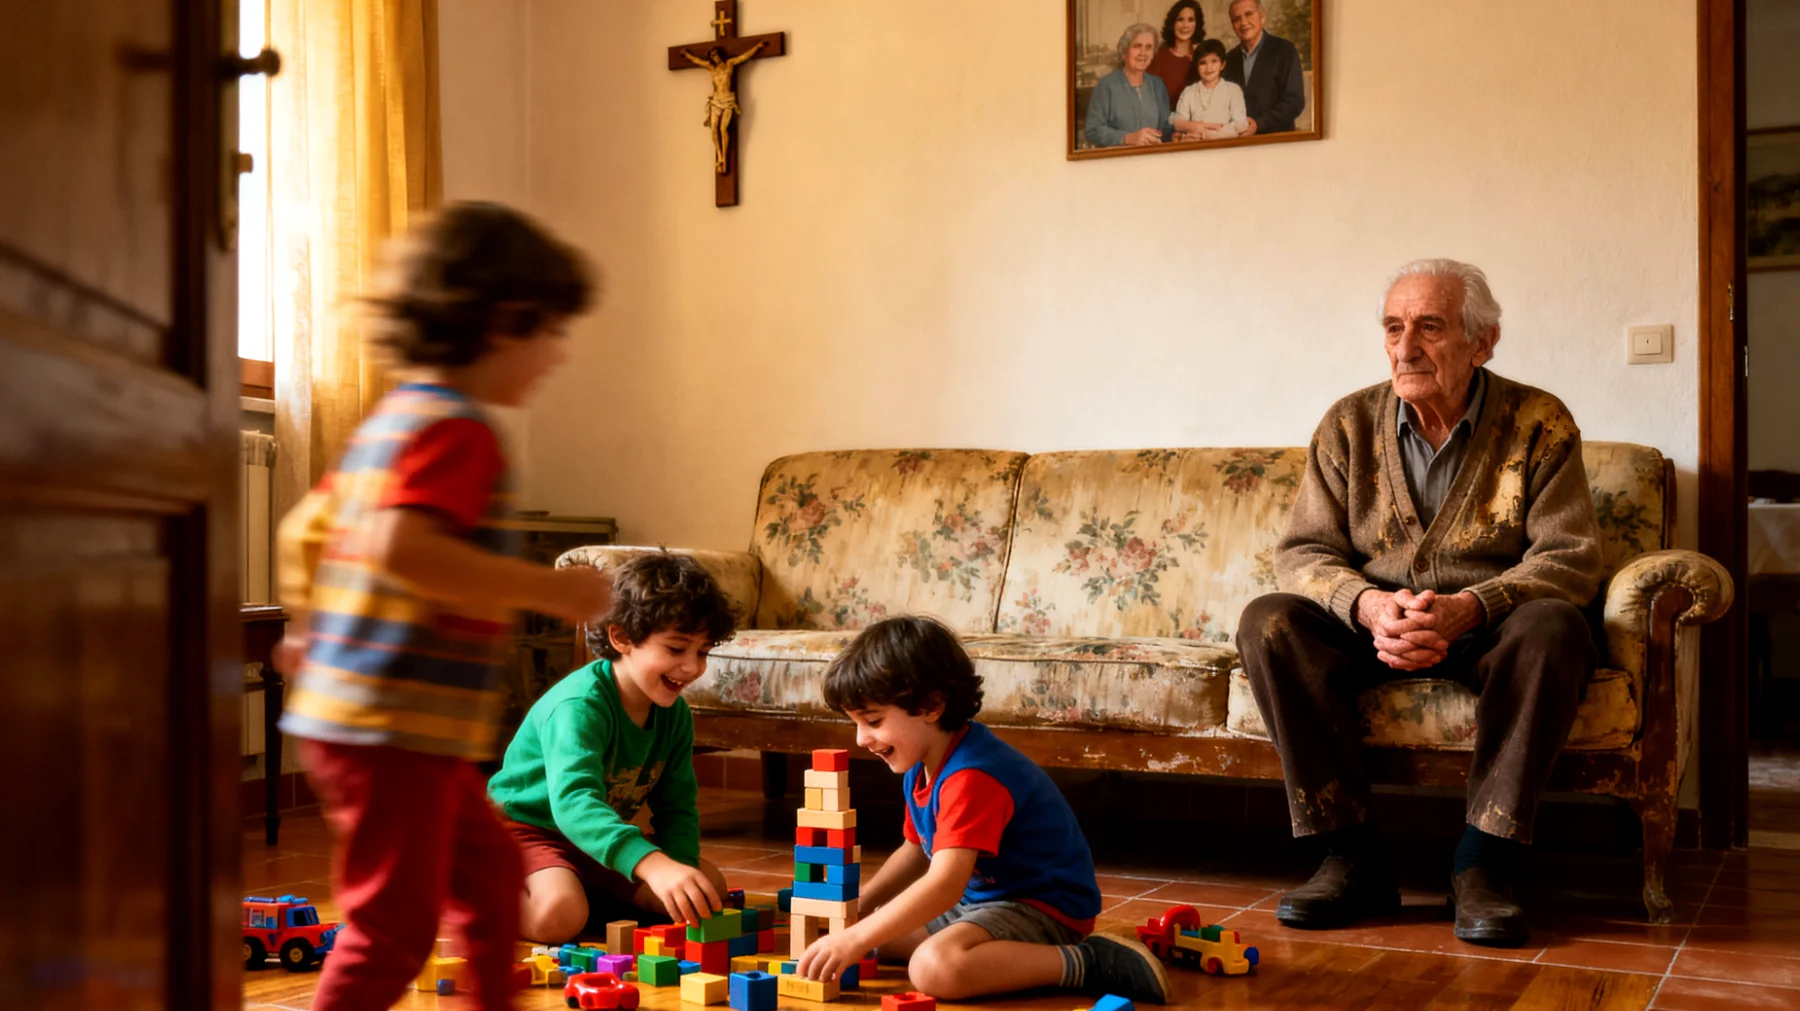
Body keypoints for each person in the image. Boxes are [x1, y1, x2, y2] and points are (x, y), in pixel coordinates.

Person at [272, 202, 612, 1011]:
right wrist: (548, 587)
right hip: (388, 728)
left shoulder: (393, 419)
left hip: (391, 724)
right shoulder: (458, 431)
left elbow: (309, 529)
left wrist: (309, 626)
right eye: (551, 332)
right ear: (502, 322)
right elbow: (400, 548)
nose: (558, 354)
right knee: (392, 925)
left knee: (494, 881)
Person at [1236, 259, 1605, 948]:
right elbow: (1303, 552)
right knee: (1270, 620)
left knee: (1557, 625)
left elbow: (1570, 557)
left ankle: (1483, 862)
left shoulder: (1539, 422)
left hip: (1489, 626)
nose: (1406, 347)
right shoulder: (1347, 423)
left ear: (1483, 340)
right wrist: (1369, 605)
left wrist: (1474, 605)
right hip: (1374, 624)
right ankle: (1351, 855)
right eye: (1394, 327)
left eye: (1430, 327)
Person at [793, 616, 1173, 1004]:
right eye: (856, 723)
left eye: (873, 721)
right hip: (983, 901)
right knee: (878, 935)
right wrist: (860, 908)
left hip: (1043, 906)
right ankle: (991, 951)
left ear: (931, 706)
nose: (862, 739)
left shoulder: (973, 775)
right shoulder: (922, 761)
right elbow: (914, 851)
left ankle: (1088, 961)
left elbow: (943, 883)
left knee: (932, 968)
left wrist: (856, 936)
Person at [489, 551, 737, 942]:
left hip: (595, 838)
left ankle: (586, 891)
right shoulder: (579, 707)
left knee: (708, 887)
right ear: (621, 637)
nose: (692, 667)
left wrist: (678, 871)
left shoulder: (674, 714)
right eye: (676, 649)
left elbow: (677, 806)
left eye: (702, 652)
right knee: (559, 916)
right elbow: (574, 804)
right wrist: (653, 865)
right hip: (524, 831)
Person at [1222, 0, 1305, 136]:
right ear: (1232, 25)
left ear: (1262, 16)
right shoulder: (1229, 59)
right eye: (1236, 19)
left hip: (1276, 143)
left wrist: (1259, 123)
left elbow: (1294, 102)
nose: (1243, 23)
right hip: (1237, 145)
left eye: (1249, 14)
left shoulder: (1284, 50)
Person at [1083, 23, 1171, 148]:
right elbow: (1093, 130)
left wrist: (1176, 136)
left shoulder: (1158, 85)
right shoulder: (1106, 85)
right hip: (1118, 162)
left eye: (1148, 47)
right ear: (1124, 51)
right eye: (1137, 46)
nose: (1143, 53)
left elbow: (1165, 128)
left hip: (1152, 160)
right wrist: (1128, 138)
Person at [1171, 40, 1246, 140]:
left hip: (1226, 146)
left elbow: (1240, 124)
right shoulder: (1189, 92)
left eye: (1214, 61)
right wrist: (1195, 127)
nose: (1208, 68)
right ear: (1197, 66)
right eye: (1203, 63)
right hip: (1194, 146)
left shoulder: (1233, 90)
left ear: (1222, 64)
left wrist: (1207, 135)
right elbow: (1178, 121)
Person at [1147, 1, 1204, 112]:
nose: (1185, 25)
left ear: (1197, 25)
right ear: (1172, 23)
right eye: (1180, 19)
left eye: (1190, 20)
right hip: (1166, 122)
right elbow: (1149, 98)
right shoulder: (1159, 56)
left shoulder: (1203, 56)